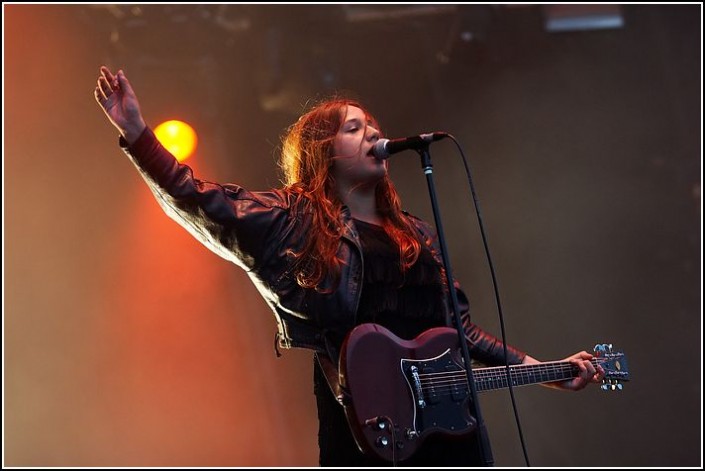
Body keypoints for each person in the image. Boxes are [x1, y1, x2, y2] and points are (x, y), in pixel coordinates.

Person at [94, 66, 605, 467]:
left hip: (450, 428)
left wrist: (542, 370)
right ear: (323, 151)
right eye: (355, 128)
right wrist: (139, 134)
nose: (373, 134)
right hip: (366, 422)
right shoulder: (290, 219)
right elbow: (197, 199)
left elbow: (460, 329)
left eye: (374, 127)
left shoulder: (416, 233)